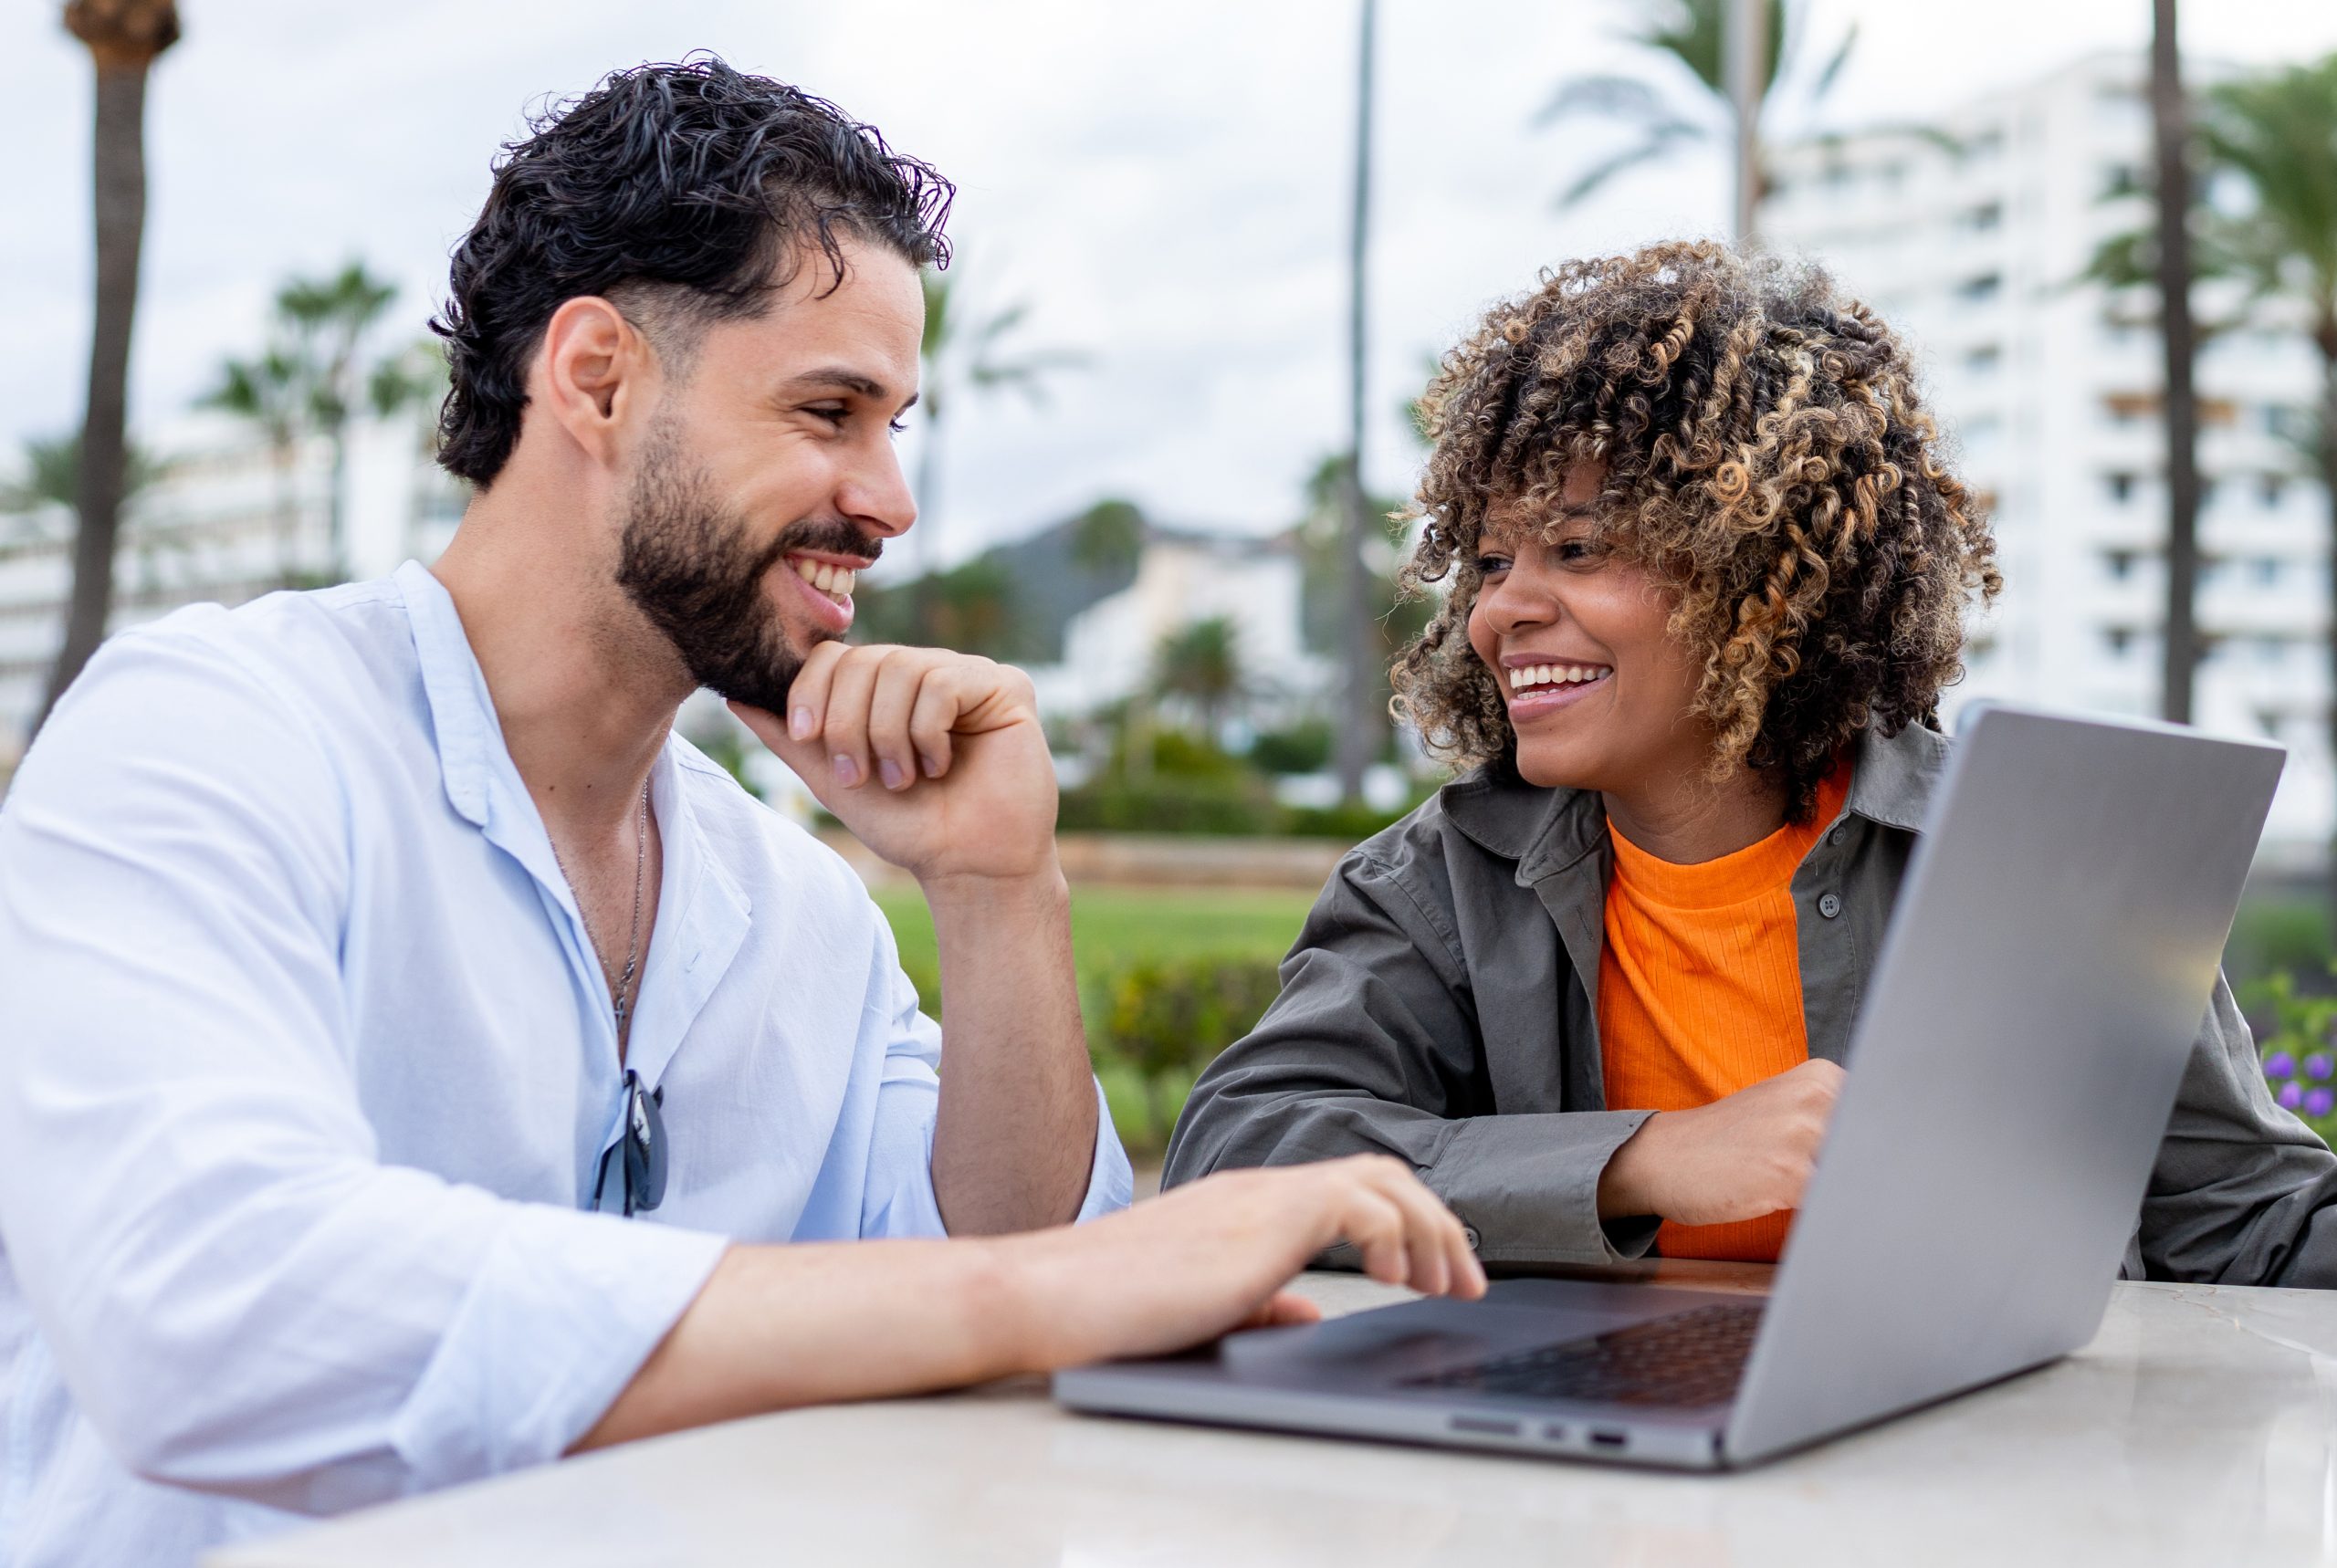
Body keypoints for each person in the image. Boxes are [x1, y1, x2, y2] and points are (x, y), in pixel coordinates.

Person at [0, 58, 1483, 1567]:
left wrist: (999, 889)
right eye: (831, 410)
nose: (892, 499)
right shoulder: (209, 736)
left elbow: (1019, 1298)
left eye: (897, 421)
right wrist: (1041, 1292)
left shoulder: (793, 902)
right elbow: (210, 1306)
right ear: (593, 377)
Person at [1165, 240, 2337, 1281]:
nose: (1499, 612)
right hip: (1584, 1477)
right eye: (1488, 561)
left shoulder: (2035, 865)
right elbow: (1240, 1150)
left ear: (1763, 578)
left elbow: (2247, 1219)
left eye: (1575, 548)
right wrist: (1643, 1161)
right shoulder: (1435, 888)